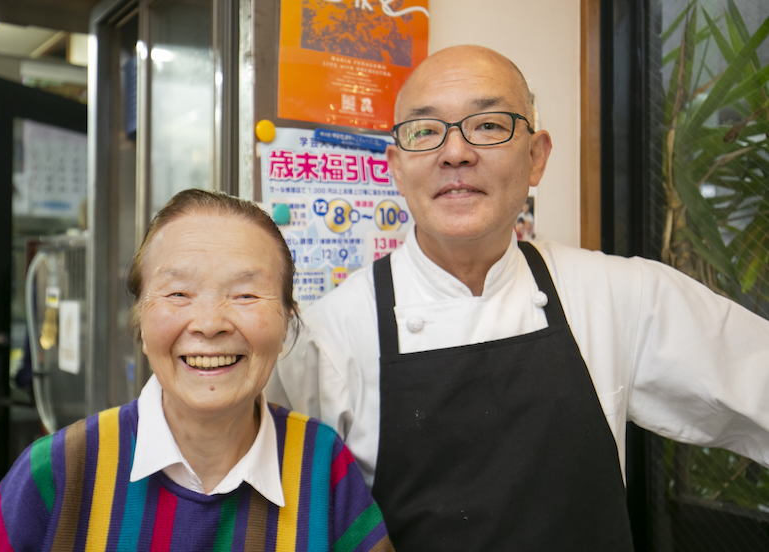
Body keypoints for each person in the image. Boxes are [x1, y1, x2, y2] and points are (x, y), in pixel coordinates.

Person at [266, 45, 769, 551]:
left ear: (536, 157)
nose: (455, 153)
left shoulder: (620, 295)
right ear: (396, 166)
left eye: (487, 125)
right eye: (425, 131)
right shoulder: (327, 338)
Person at [0, 189, 393, 552]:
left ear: (286, 323)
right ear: (143, 323)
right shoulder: (60, 469)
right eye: (178, 293)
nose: (208, 323)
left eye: (245, 295)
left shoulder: (320, 463)